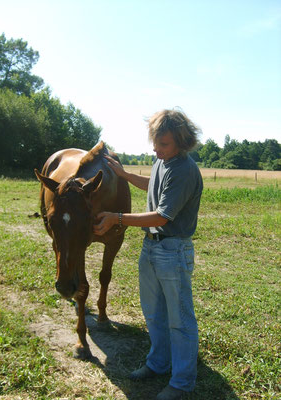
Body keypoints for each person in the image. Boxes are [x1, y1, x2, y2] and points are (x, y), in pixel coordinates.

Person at [94, 109, 203, 400]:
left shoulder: (184, 170)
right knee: (154, 313)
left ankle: (181, 383)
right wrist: (124, 174)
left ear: (182, 141)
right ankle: (158, 363)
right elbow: (153, 184)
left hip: (172, 250)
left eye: (163, 144)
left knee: (179, 319)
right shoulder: (162, 161)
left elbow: (162, 216)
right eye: (155, 142)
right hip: (152, 247)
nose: (156, 148)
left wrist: (118, 217)